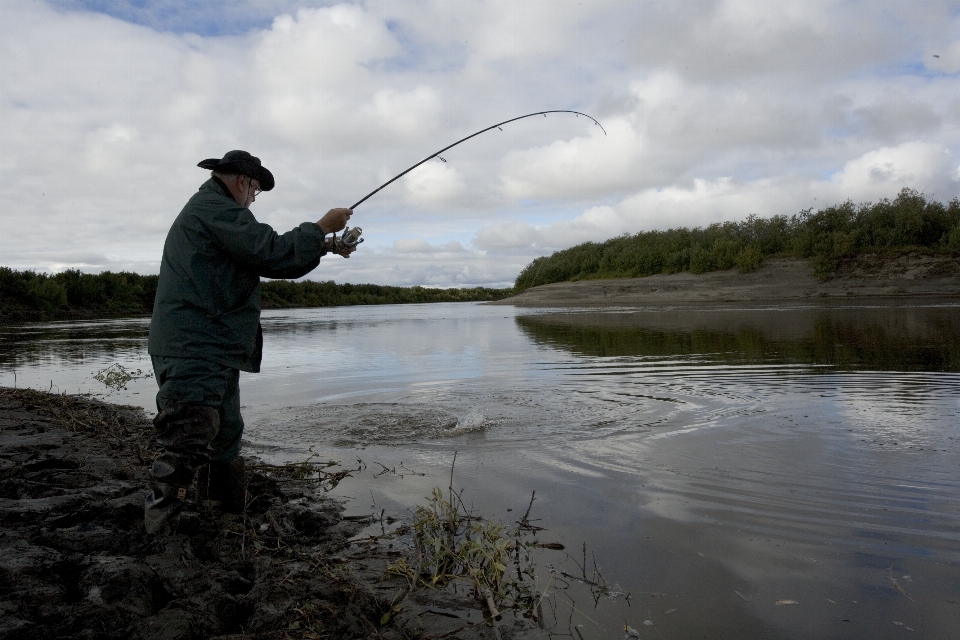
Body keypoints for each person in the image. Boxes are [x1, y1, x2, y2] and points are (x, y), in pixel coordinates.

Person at [144, 150, 354, 534]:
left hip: (213, 345)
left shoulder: (216, 212)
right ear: (242, 182)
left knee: (224, 434)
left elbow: (267, 259)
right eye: (255, 190)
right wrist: (321, 226)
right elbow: (271, 252)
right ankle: (161, 534)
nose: (254, 198)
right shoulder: (214, 208)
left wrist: (324, 246)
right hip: (194, 345)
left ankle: (222, 517)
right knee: (187, 436)